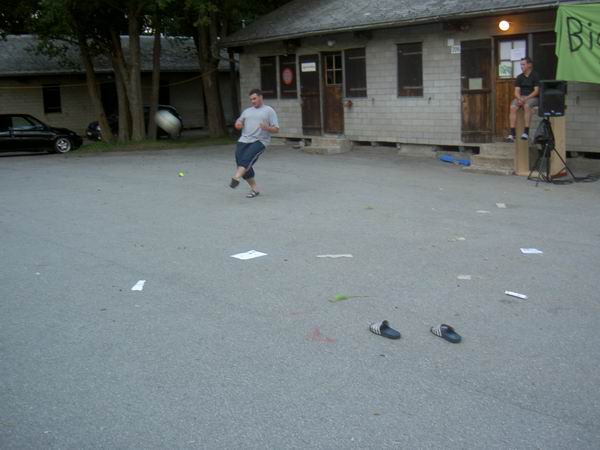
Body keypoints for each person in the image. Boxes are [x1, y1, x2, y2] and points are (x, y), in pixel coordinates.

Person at [229, 88, 279, 198]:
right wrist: (238, 124)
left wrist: (267, 128)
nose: (252, 101)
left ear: (261, 97)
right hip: (243, 140)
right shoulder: (247, 111)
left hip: (259, 141)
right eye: (251, 99)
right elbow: (239, 121)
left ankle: (236, 177)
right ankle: (255, 189)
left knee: (246, 160)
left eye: (254, 98)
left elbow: (276, 129)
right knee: (242, 164)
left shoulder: (269, 110)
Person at [506, 56, 540, 142]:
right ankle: (512, 133)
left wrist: (526, 98)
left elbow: (536, 91)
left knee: (527, 106)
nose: (521, 66)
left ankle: (526, 132)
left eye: (523, 64)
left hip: (532, 97)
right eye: (521, 65)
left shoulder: (535, 75)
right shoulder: (519, 77)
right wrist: (520, 98)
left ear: (529, 65)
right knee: (513, 107)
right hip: (521, 97)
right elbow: (516, 91)